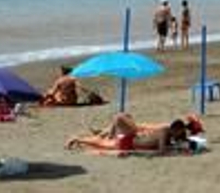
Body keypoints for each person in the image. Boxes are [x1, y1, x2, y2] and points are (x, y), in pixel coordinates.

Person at [66, 112, 200, 153]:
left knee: (103, 142)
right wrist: (178, 151)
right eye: (180, 132)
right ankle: (79, 139)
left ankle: (79, 140)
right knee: (103, 142)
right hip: (128, 142)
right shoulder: (165, 132)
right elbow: (161, 151)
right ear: (176, 129)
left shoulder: (169, 133)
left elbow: (174, 143)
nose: (180, 135)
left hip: (131, 140)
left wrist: (184, 146)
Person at [40, 65, 105, 107]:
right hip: (73, 101)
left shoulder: (59, 80)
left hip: (63, 101)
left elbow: (52, 93)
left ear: (62, 72)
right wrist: (91, 94)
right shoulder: (73, 79)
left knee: (51, 92)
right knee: (57, 93)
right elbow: (81, 88)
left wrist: (45, 98)